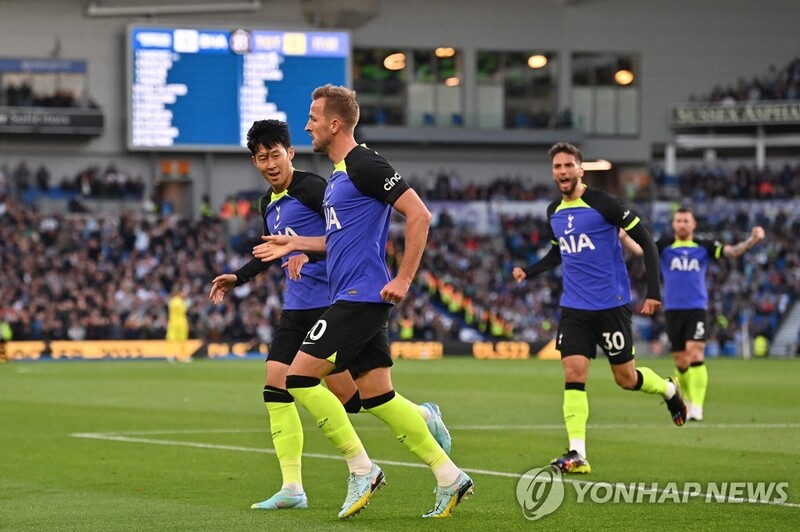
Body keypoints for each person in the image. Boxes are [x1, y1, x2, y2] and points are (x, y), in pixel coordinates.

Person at [253, 85, 473, 519]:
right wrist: (294, 244)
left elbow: (420, 214)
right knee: (377, 397)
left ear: (335, 124)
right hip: (350, 294)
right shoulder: (338, 176)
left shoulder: (364, 164)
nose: (308, 125)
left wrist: (406, 277)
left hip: (362, 296)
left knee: (297, 378)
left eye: (313, 118)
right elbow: (337, 242)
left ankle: (362, 468)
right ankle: (450, 477)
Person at [210, 119, 451, 512]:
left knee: (357, 399)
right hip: (297, 306)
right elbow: (274, 250)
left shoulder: (313, 187)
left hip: (334, 301)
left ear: (289, 153)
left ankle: (420, 418)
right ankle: (292, 487)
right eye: (261, 158)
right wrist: (237, 277)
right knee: (277, 386)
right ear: (254, 163)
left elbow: (343, 235)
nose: (270, 164)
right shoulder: (266, 205)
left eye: (275, 154)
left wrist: (308, 251)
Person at [512, 142, 686, 475]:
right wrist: (528, 270)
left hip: (611, 306)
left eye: (568, 166)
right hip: (574, 308)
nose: (562, 172)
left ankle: (667, 389)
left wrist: (653, 292)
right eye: (557, 167)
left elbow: (647, 242)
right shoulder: (554, 212)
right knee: (573, 373)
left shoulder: (605, 204)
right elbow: (557, 253)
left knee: (626, 378)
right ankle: (577, 453)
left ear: (581, 169)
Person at [652, 208, 765, 421]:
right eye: (678, 220)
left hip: (697, 308)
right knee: (681, 360)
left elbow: (732, 252)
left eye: (686, 220)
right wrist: (623, 236)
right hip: (673, 309)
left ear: (694, 224)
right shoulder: (664, 245)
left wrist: (752, 240)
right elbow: (641, 250)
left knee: (695, 353)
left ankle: (697, 407)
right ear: (673, 224)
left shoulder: (704, 246)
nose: (682, 224)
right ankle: (686, 399)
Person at [165, 285, 190, 363]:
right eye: (183, 293)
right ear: (179, 293)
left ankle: (170, 356)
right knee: (182, 341)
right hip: (180, 323)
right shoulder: (180, 302)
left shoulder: (172, 301)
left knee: (171, 340)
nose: (184, 294)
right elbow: (184, 310)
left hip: (173, 323)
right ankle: (183, 356)